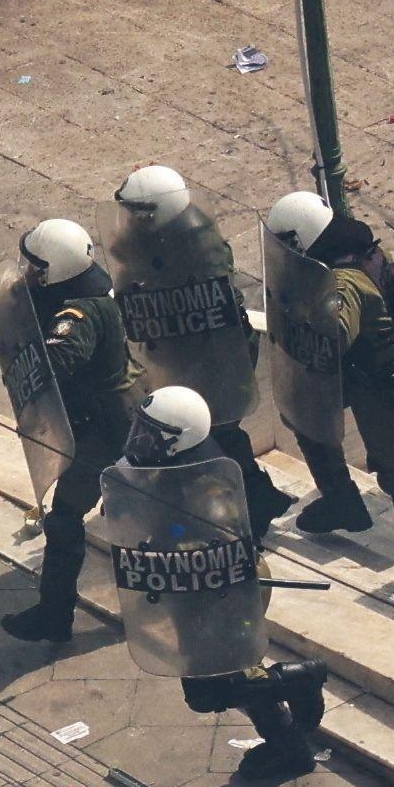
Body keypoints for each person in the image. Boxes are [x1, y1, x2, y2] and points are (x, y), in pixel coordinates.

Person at [103, 386, 329, 777]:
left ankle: (300, 680)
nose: (141, 441)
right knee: (237, 672)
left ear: (180, 442)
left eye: (151, 435)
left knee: (208, 689)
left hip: (226, 586)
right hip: (190, 584)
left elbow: (216, 544)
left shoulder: (208, 485)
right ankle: (289, 748)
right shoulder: (167, 461)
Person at [263, 191, 394, 576]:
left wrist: (304, 311)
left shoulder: (345, 280)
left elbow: (336, 333)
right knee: (307, 422)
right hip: (357, 374)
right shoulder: (352, 254)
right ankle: (343, 502)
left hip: (381, 385)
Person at [106, 166, 291, 528]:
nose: (129, 219)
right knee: (217, 433)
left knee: (218, 429)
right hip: (186, 350)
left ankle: (254, 505)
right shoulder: (153, 237)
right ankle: (256, 498)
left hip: (216, 354)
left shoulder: (197, 244)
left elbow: (189, 297)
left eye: (137, 212)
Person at [0, 218, 138, 649]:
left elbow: (60, 358)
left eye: (37, 267)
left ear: (55, 271)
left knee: (64, 519)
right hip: (111, 424)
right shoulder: (83, 296)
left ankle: (54, 614)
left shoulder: (77, 314)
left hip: (104, 432)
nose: (29, 273)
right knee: (133, 513)